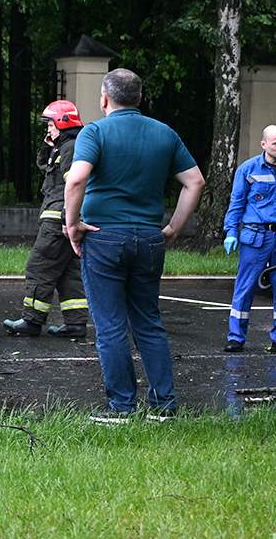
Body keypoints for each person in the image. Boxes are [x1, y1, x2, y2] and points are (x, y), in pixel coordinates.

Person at [63, 68, 205, 419]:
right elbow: (195, 182)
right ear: (140, 98)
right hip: (149, 237)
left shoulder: (95, 132)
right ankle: (163, 405)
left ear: (104, 98)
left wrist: (72, 224)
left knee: (110, 326)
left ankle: (122, 407)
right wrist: (172, 228)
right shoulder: (164, 134)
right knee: (148, 321)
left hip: (104, 236)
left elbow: (76, 179)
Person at [5, 100, 89, 338]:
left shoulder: (70, 147)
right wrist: (47, 145)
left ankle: (32, 320)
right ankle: (75, 324)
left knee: (39, 266)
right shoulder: (64, 147)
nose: (48, 129)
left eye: (50, 124)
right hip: (62, 219)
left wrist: (66, 218)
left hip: (57, 220)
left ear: (62, 123)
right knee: (67, 272)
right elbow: (43, 165)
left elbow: (74, 185)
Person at [222, 125, 276, 353]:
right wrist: (231, 232)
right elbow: (237, 203)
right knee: (245, 287)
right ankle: (236, 337)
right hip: (255, 236)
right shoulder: (248, 169)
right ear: (264, 144)